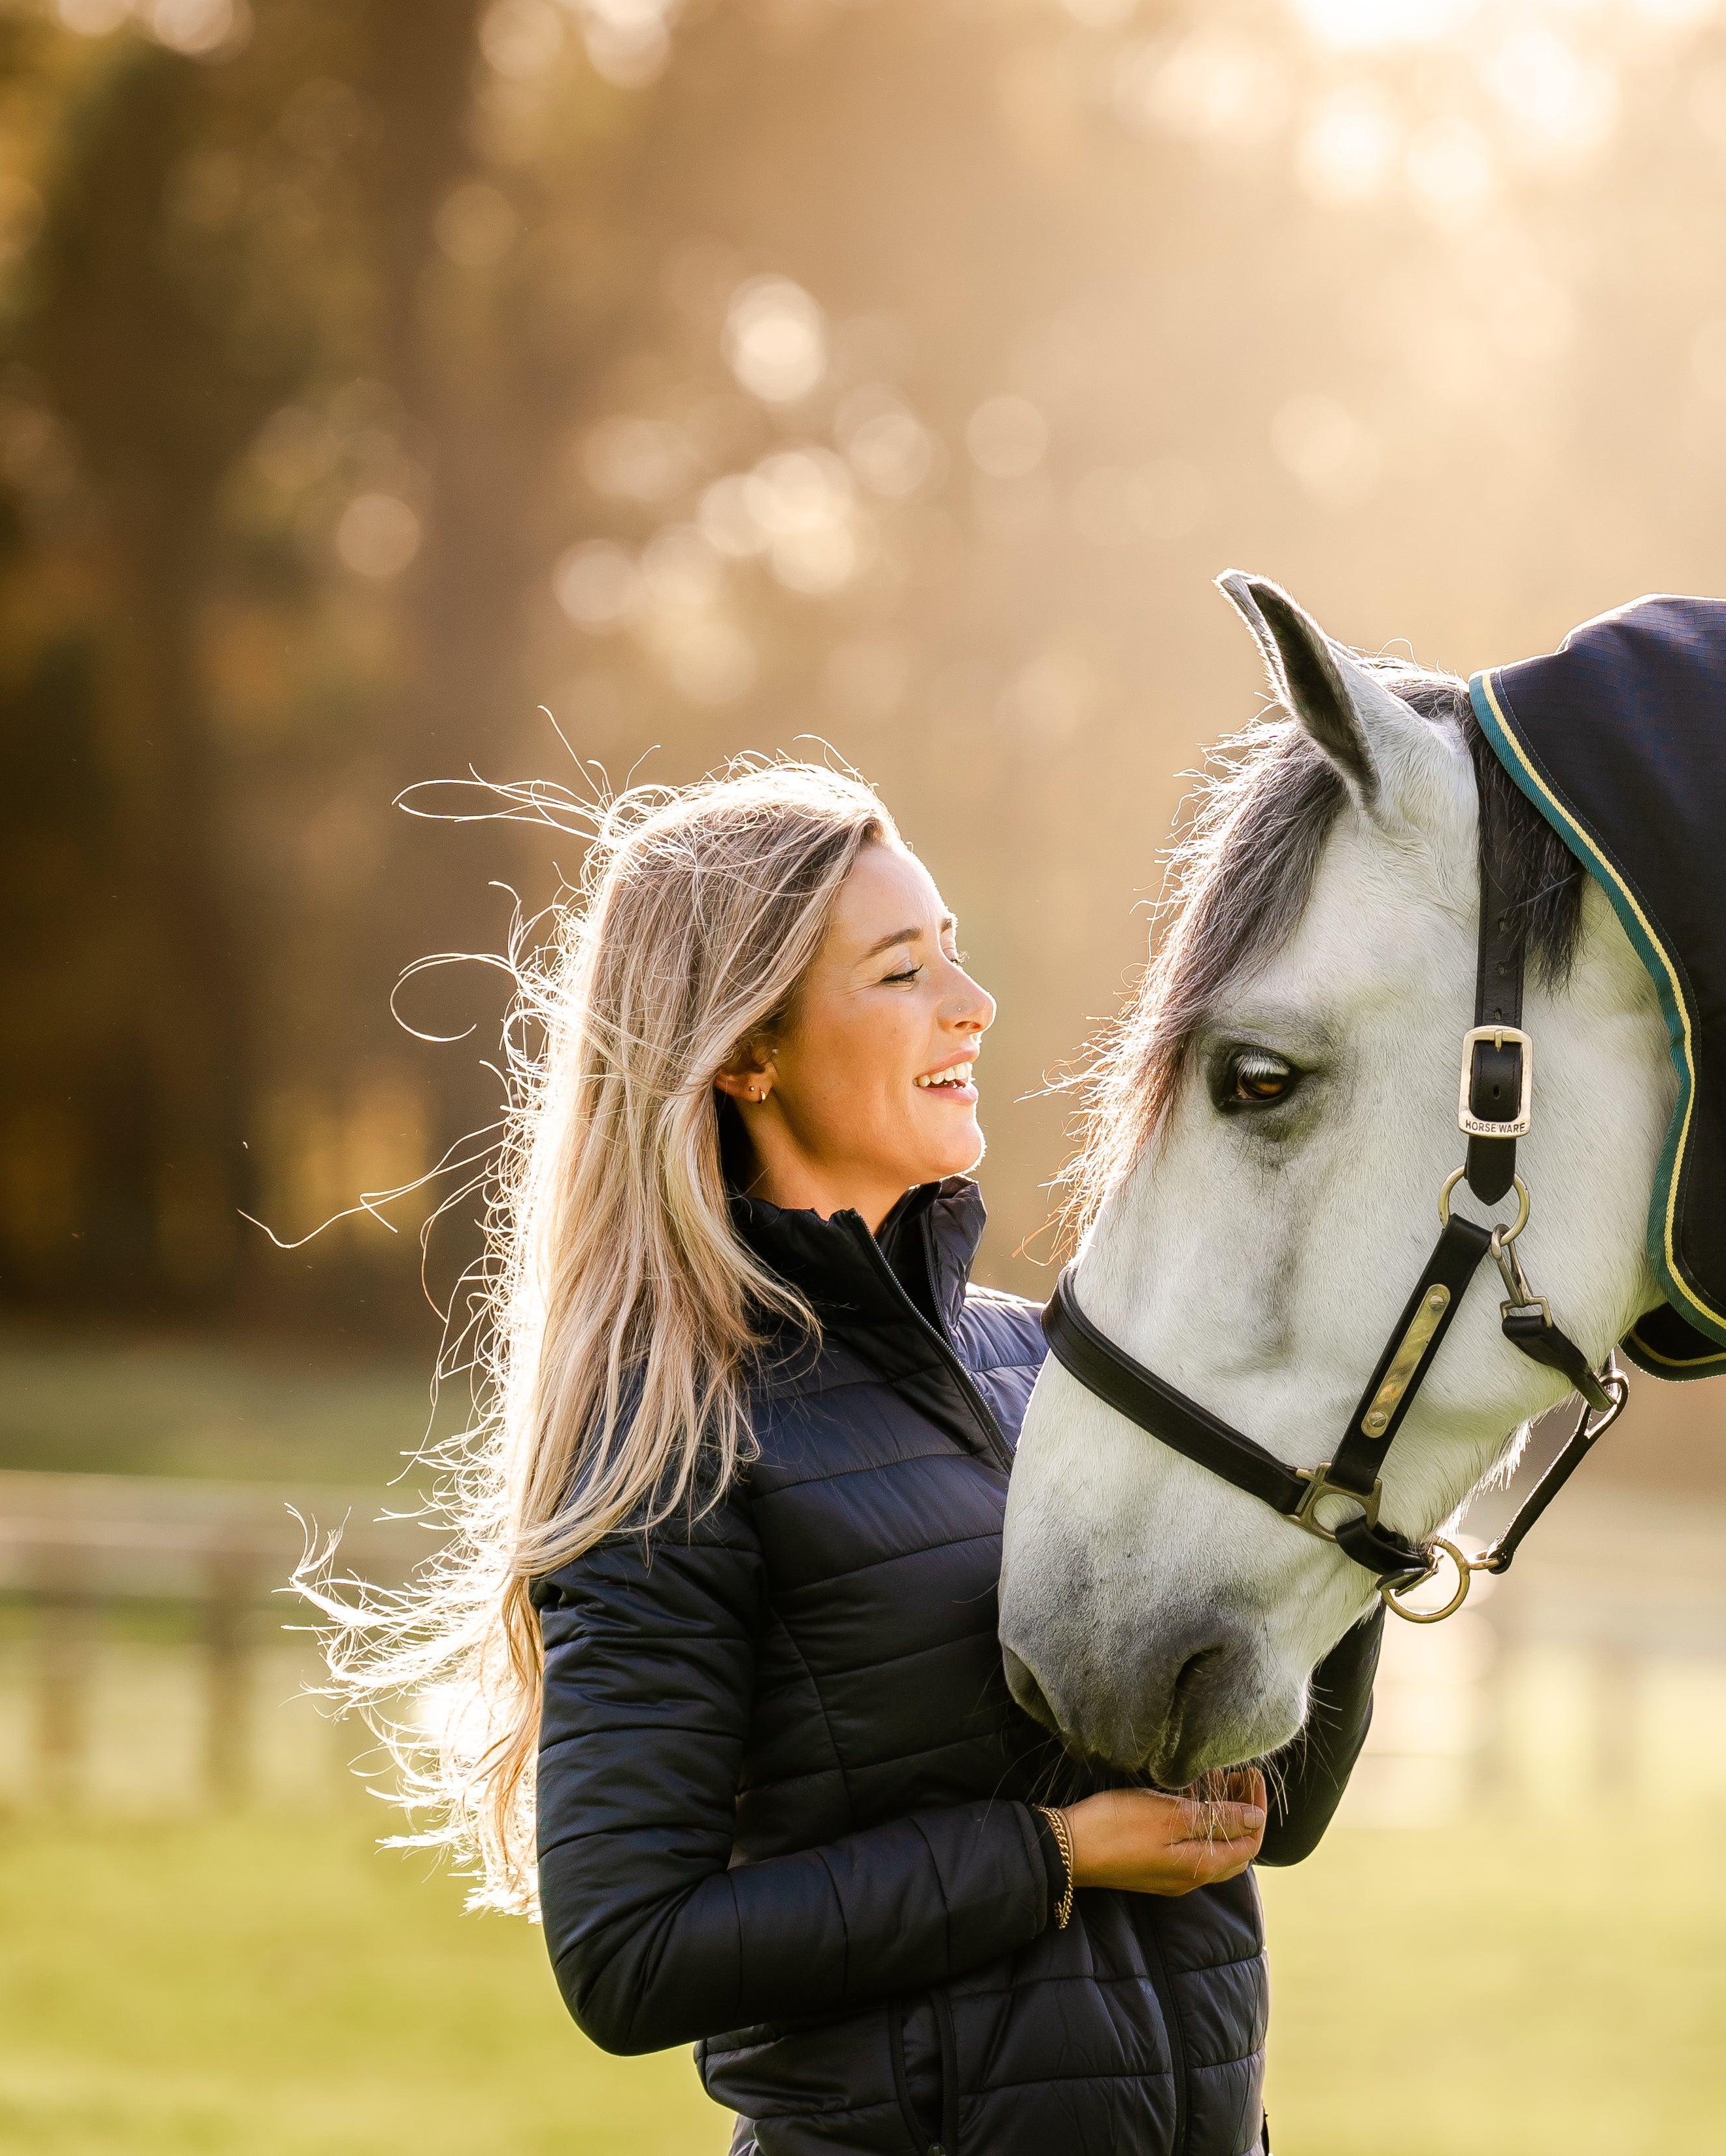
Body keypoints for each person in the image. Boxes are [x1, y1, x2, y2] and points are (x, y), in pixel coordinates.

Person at [322, 764, 1379, 2155]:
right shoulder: (671, 1436)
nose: (970, 1002)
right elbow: (631, 1951)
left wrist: (1350, 1506)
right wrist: (1051, 1856)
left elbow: (1277, 1811)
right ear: (747, 1052)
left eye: (952, 950)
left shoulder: (1058, 1364)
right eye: (900, 971)